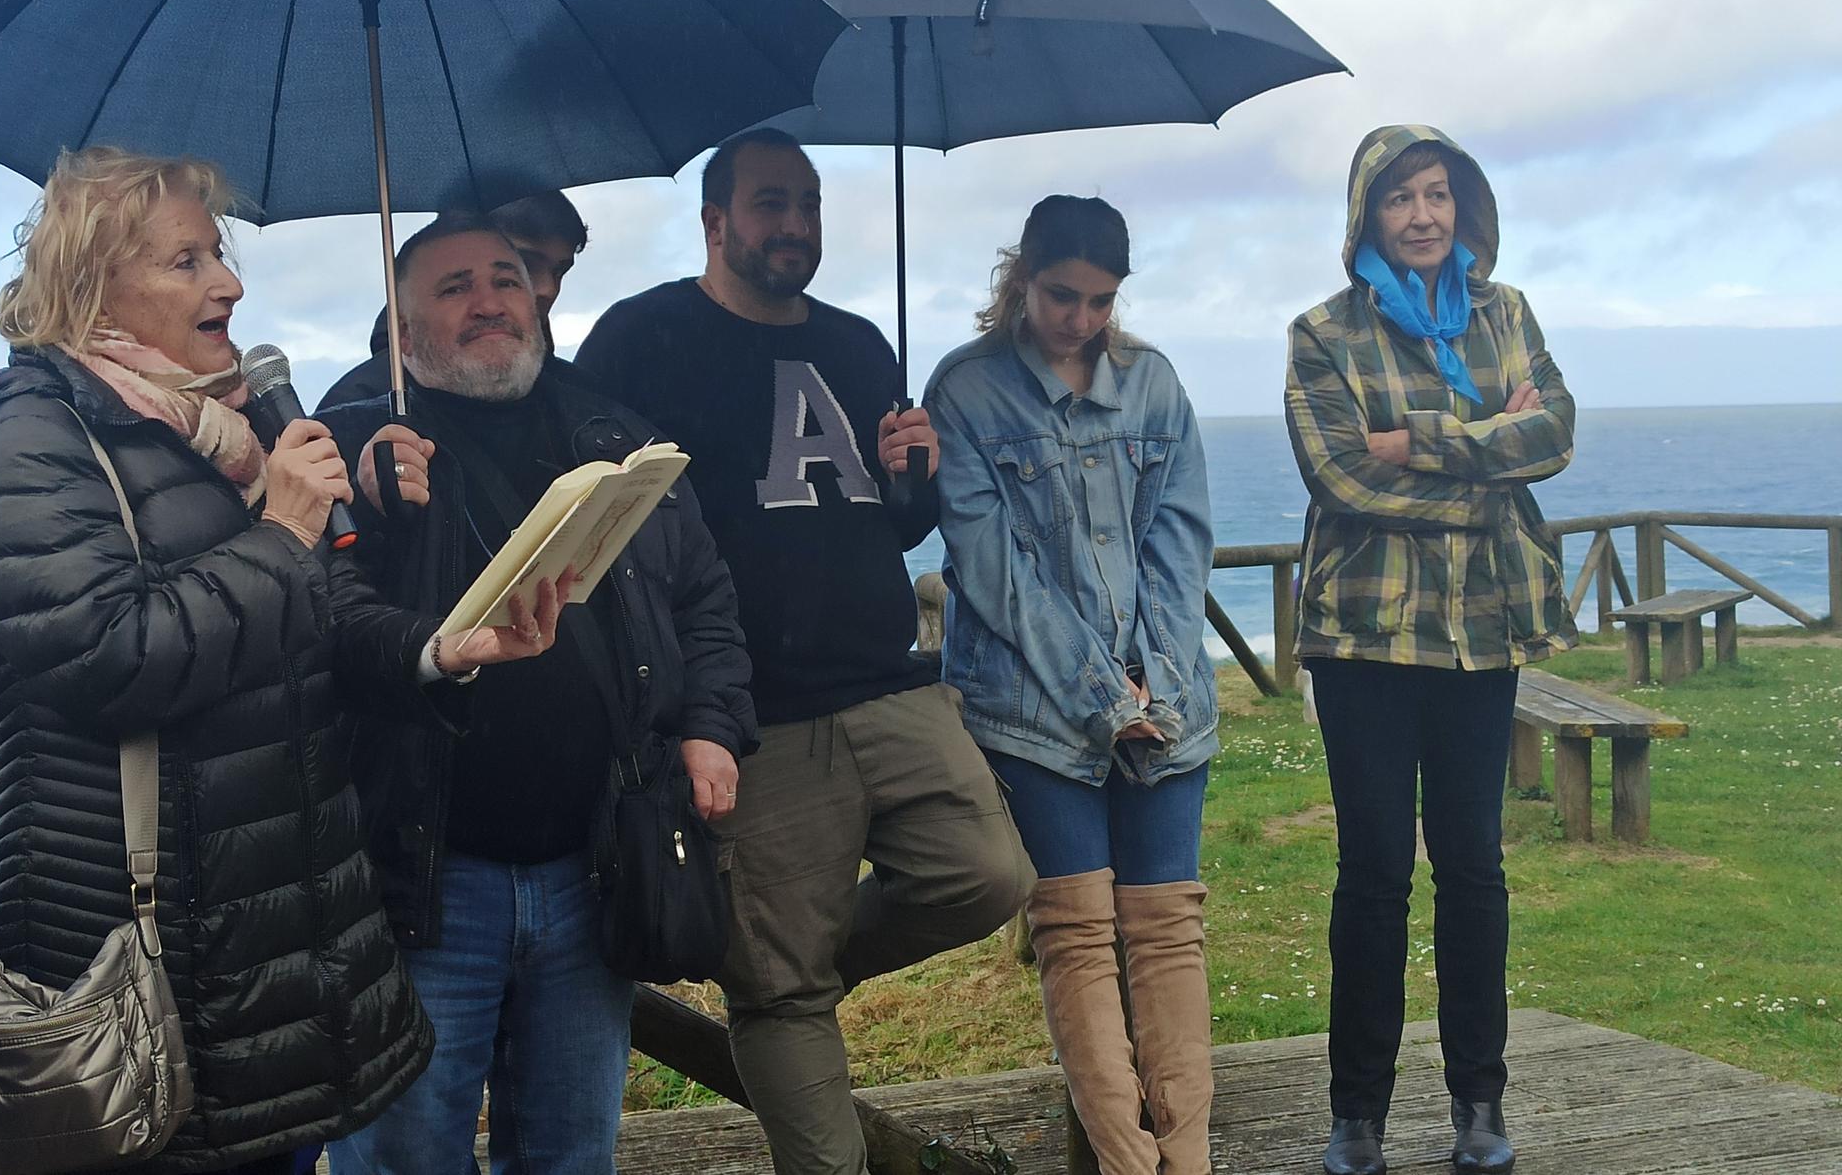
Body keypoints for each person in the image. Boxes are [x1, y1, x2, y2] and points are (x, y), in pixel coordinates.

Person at [0, 149, 557, 1174]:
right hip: (143, 970)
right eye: (187, 262)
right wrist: (286, 529)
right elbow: (118, 656)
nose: (230, 284)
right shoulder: (36, 442)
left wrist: (437, 646)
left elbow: (319, 612)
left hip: (273, 968)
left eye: (217, 252)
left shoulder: (212, 430)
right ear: (89, 289)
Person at [575, 127, 1035, 1175]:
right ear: (714, 220)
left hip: (887, 684)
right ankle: (785, 1000)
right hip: (754, 713)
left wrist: (915, 476)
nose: (794, 225)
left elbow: (891, 521)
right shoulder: (639, 339)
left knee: (987, 873)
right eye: (771, 202)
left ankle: (792, 967)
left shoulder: (861, 342)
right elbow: (601, 520)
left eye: (809, 204)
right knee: (777, 993)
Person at [317, 211, 757, 1175]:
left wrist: (713, 727)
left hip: (592, 863)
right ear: (399, 327)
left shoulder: (610, 427)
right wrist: (375, 505)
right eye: (453, 286)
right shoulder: (350, 437)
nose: (488, 302)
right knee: (406, 1161)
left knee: (569, 1158)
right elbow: (324, 626)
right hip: (425, 881)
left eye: (505, 280)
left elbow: (705, 599)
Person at [1285, 125, 1576, 1175]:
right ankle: (1355, 1109)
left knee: (1473, 867)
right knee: (1370, 871)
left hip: (1480, 632)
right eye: (1400, 197)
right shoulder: (1319, 332)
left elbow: (1557, 432)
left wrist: (1418, 441)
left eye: (1437, 193)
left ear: (1463, 206)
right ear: (1366, 214)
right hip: (1363, 638)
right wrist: (1487, 456)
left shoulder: (1507, 314)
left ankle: (1478, 1103)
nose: (1421, 214)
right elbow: (1339, 480)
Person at [925, 195, 1219, 1175]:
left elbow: (1178, 551)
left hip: (1162, 700)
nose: (1080, 319)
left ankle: (1189, 1159)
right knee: (1077, 934)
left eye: (1100, 300)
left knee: (1168, 930)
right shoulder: (964, 391)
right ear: (1022, 274)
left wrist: (1154, 682)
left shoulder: (1155, 385)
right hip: (1032, 707)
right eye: (1062, 294)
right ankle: (1130, 1165)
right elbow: (992, 570)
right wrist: (1104, 694)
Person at [318, 189, 589, 410]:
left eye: (559, 271)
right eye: (526, 264)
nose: (547, 289)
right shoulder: (354, 416)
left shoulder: (590, 405)